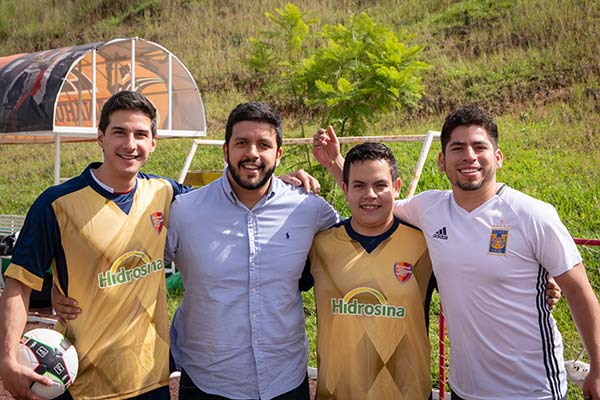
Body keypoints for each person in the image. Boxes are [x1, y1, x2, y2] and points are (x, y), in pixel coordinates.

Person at [312, 105, 600, 400]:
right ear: (441, 160)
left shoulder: (533, 214)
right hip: (465, 389)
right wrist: (335, 162)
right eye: (458, 147)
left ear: (498, 157)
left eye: (479, 146)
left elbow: (579, 291)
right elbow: (375, 202)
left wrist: (598, 368)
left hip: (532, 388)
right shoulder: (429, 208)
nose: (469, 156)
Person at [0, 91, 190, 400]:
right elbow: (18, 285)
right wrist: (7, 357)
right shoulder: (56, 204)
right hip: (82, 382)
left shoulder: (165, 192)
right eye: (119, 132)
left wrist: (281, 185)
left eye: (141, 134)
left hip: (151, 380)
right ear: (100, 137)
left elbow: (225, 200)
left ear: (153, 143)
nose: (130, 144)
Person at [166, 102, 339, 399]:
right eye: (242, 143)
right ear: (225, 150)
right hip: (208, 382)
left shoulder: (307, 208)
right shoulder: (185, 211)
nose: (253, 154)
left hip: (284, 380)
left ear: (278, 154)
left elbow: (366, 226)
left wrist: (336, 165)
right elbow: (139, 268)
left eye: (264, 144)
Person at [309, 142, 434, 400]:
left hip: (407, 393)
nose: (370, 194)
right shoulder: (319, 245)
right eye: (359, 185)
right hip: (337, 393)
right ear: (345, 190)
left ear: (397, 188)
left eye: (380, 185)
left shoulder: (425, 245)